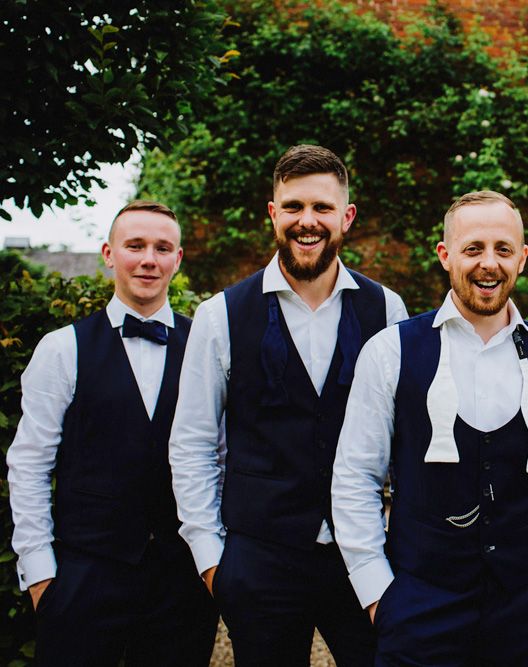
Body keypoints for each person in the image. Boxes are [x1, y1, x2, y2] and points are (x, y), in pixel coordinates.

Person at [331, 190, 528, 666]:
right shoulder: (390, 352)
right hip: (418, 608)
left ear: (521, 259)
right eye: (473, 248)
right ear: (445, 256)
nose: (489, 263)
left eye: (503, 249)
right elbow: (355, 478)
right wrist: (380, 595)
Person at [169, 144, 408, 665]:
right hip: (259, 561)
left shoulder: (386, 308)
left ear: (346, 217)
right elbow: (191, 444)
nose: (308, 221)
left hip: (362, 554)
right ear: (274, 214)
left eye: (322, 208)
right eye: (294, 207)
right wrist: (214, 562)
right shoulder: (220, 315)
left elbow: (400, 435)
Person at [6, 200, 218, 667]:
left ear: (177, 259)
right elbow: (30, 465)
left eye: (162, 248)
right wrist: (41, 575)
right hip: (85, 575)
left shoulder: (206, 348)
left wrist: (213, 562)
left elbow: (221, 455)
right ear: (108, 253)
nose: (149, 259)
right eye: (135, 246)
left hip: (180, 580)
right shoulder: (61, 349)